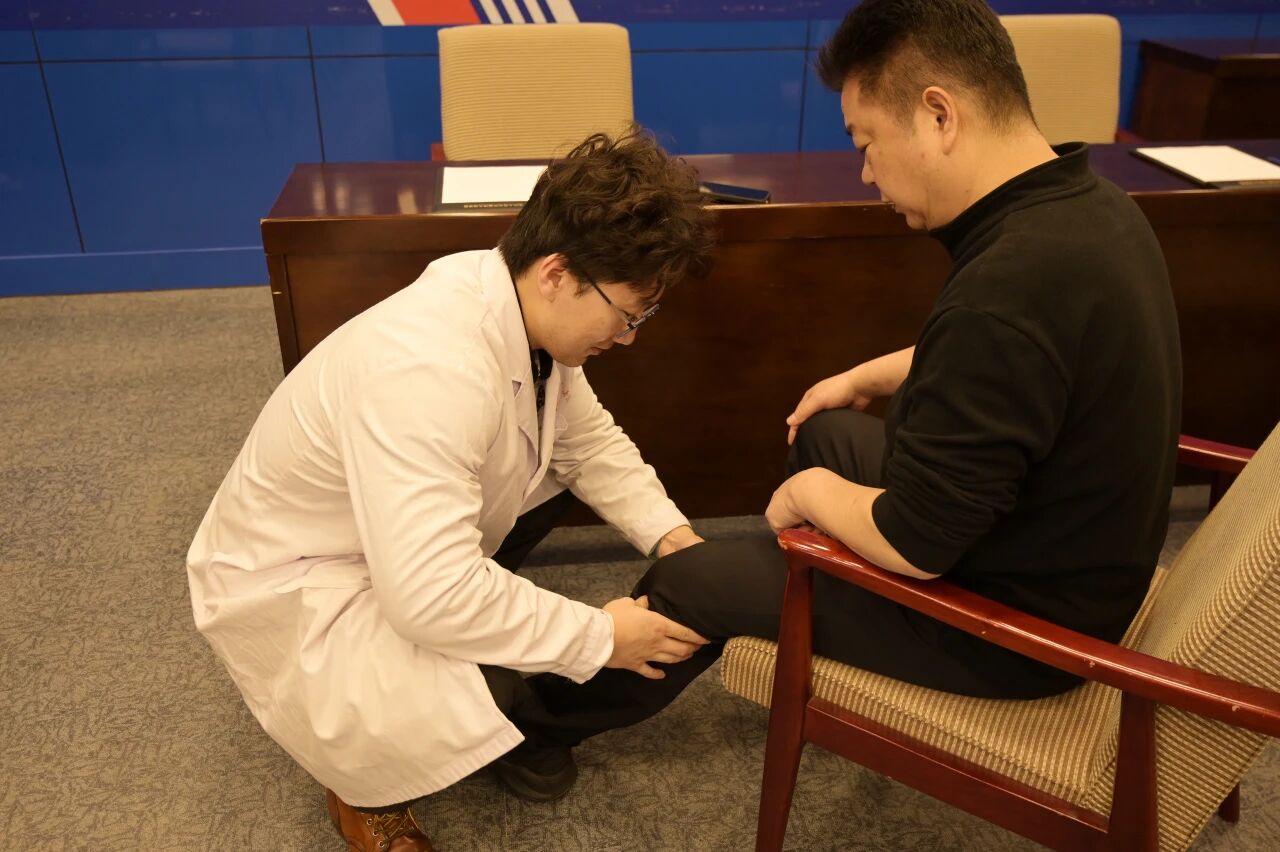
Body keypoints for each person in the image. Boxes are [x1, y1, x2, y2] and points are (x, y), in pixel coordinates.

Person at [494, 0, 1182, 787]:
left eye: (866, 143)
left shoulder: (1009, 285)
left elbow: (919, 543)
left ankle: (530, 728)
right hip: (1063, 546)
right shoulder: (1088, 208)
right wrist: (870, 376)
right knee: (824, 428)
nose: (866, 172)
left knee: (694, 581)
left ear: (938, 116)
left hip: (1017, 629)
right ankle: (811, 598)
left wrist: (810, 496)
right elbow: (1028, 361)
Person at [186, 129, 715, 851]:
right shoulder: (429, 367)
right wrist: (600, 637)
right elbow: (429, 594)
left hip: (388, 546)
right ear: (557, 273)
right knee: (498, 686)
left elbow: (587, 443)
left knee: (543, 487)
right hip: (300, 584)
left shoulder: (519, 306)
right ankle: (364, 787)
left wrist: (676, 541)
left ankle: (504, 714)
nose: (628, 337)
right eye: (627, 315)